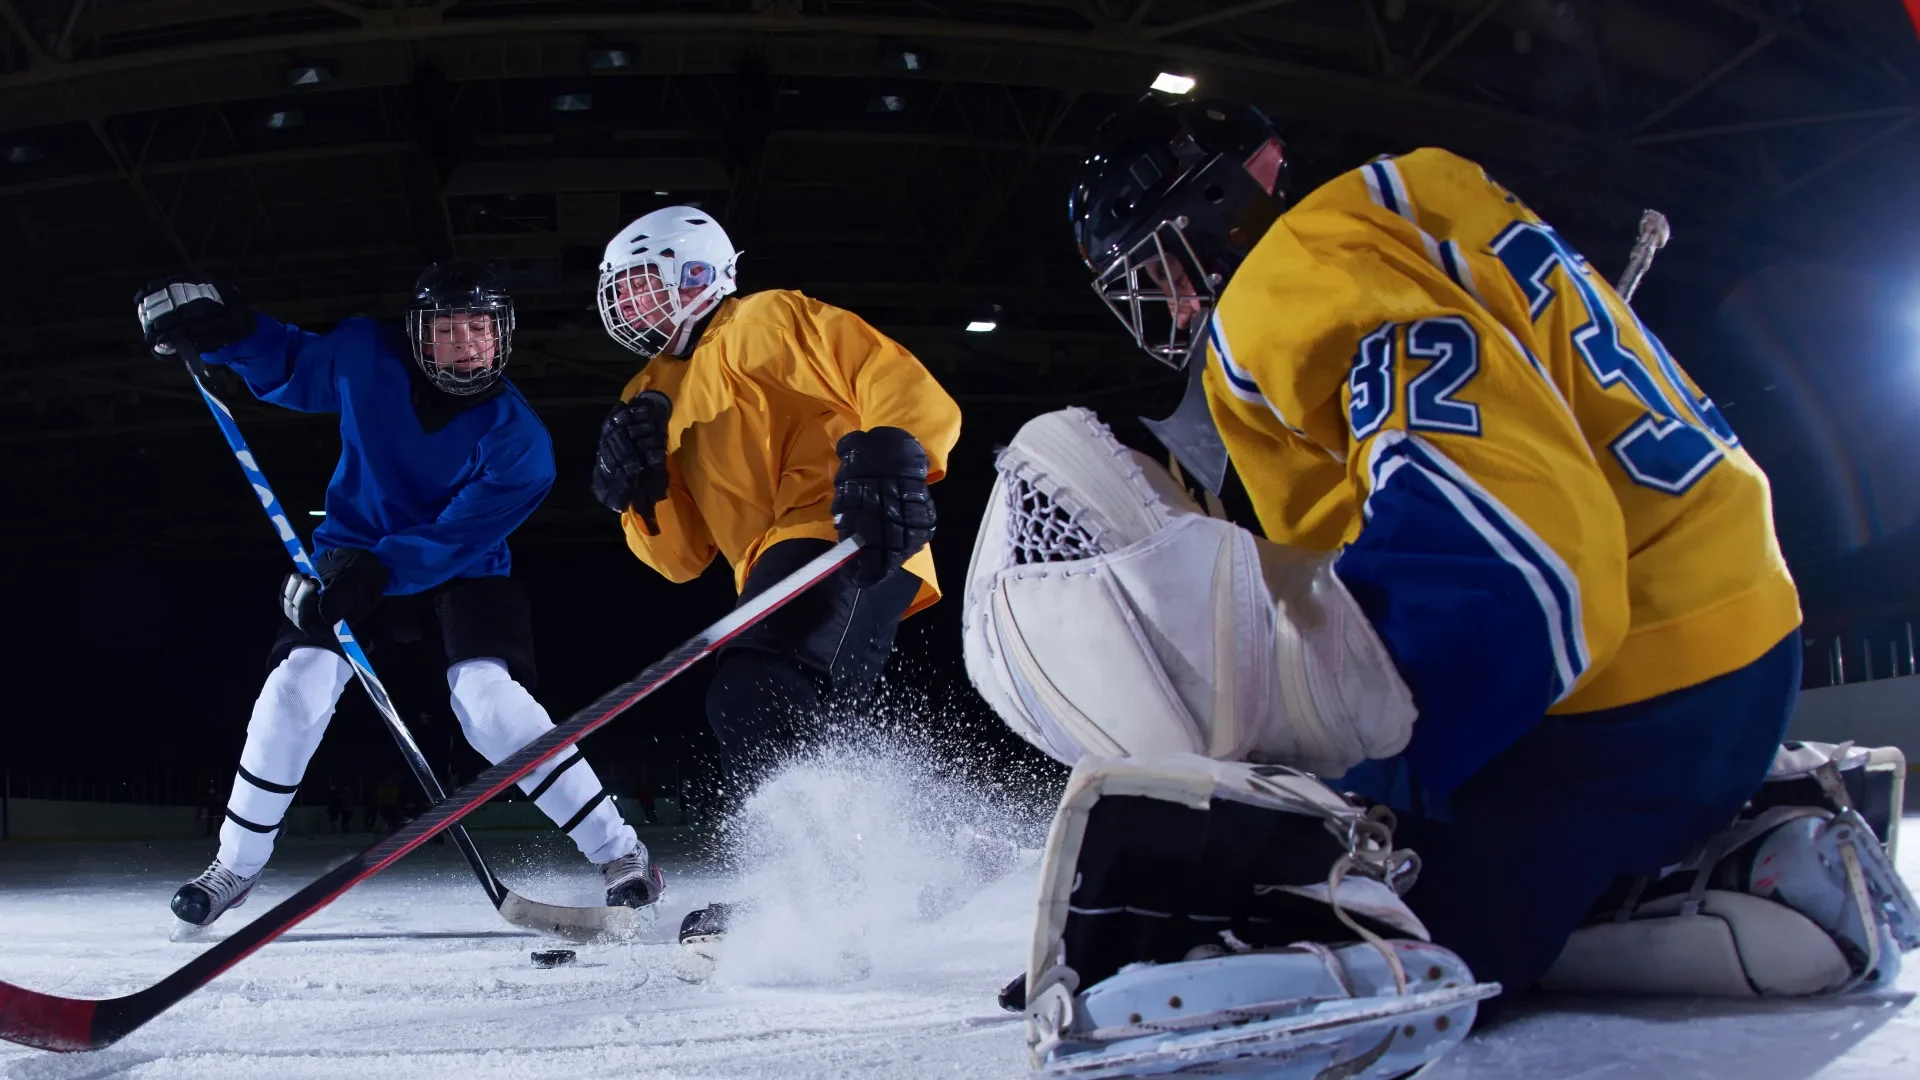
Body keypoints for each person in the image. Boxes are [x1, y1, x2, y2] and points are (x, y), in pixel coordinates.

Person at [961, 95, 1913, 1077]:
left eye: (1158, 266)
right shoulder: (1416, 210)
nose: (1163, 301)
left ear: (1214, 204)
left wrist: (1355, 818)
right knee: (1429, 846)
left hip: (1613, 701)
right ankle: (1733, 861)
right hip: (1732, 648)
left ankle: (1611, 879)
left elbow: (1520, 564)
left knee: (1325, 918)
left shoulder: (1285, 286)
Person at [135, 265, 662, 930]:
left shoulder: (523, 446)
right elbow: (293, 364)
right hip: (353, 550)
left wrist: (371, 574)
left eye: (480, 329)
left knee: (490, 706)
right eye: (446, 329)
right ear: (416, 335)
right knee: (297, 683)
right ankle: (235, 864)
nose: (466, 344)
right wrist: (226, 332)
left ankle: (621, 854)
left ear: (504, 338)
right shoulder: (365, 353)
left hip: (463, 567)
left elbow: (453, 539)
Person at [586, 206, 961, 946]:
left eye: (640, 285)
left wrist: (894, 450)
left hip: (847, 531)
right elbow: (681, 557)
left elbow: (890, 375)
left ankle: (821, 894)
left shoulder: (766, 318)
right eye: (619, 294)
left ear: (698, 274)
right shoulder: (647, 393)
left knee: (752, 689)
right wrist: (638, 496)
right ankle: (926, 862)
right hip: (768, 565)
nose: (628, 306)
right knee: (786, 708)